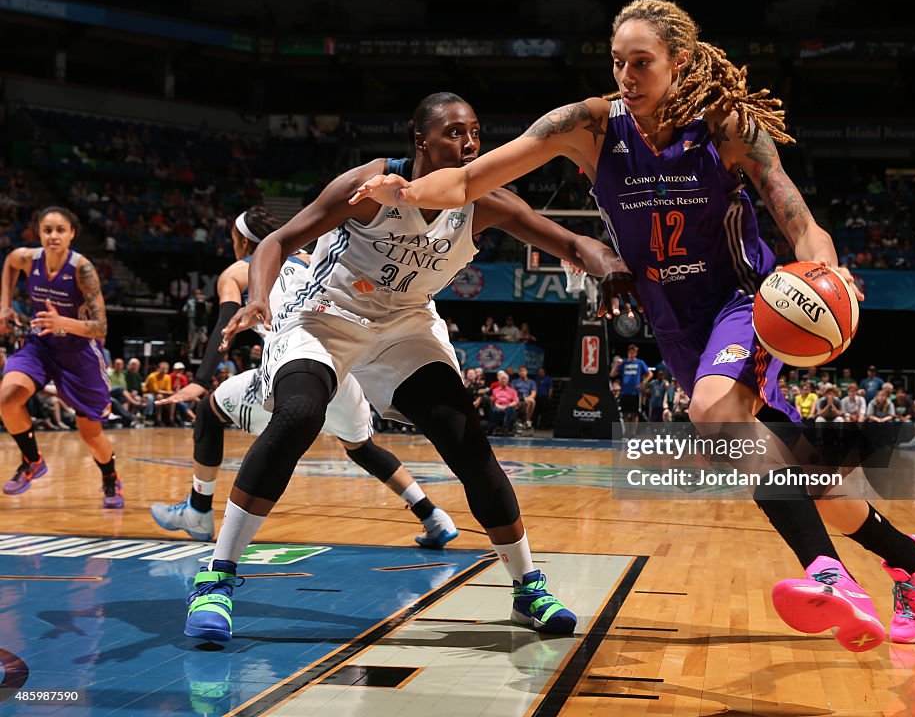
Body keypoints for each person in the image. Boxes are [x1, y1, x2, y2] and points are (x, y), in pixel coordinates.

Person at [352, 0, 915, 652]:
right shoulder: (588, 125)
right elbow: (466, 179)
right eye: (618, 63)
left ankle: (831, 578)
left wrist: (826, 273)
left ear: (679, 63)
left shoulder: (725, 124)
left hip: (743, 303)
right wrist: (406, 193)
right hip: (675, 326)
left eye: (642, 63)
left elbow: (797, 217)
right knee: (795, 473)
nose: (627, 76)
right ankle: (911, 560)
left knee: (717, 418)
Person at [183, 93, 637, 643]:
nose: (468, 144)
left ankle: (526, 587)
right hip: (324, 314)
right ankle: (217, 576)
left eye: (474, 133)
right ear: (420, 140)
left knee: (467, 442)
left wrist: (606, 261)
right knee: (299, 414)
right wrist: (257, 299)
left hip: (404, 326)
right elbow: (277, 241)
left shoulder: (484, 200)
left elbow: (569, 240)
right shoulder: (370, 187)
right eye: (453, 133)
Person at [151, 207, 458, 549]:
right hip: (343, 366)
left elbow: (226, 323)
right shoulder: (314, 258)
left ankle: (199, 510)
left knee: (210, 411)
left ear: (242, 241)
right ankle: (433, 515)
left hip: (295, 365)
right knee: (360, 446)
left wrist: (201, 378)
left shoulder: (239, 271)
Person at [0, 206, 123, 506]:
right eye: (47, 230)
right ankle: (33, 461)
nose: (53, 235)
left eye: (60, 230)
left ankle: (110, 477)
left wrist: (63, 323)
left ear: (72, 234)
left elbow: (101, 327)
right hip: (40, 345)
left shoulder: (82, 269)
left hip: (79, 355)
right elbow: (9, 264)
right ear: (38, 233)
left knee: (90, 434)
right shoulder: (28, 258)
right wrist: (4, 305)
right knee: (7, 399)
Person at [611, 344, 651, 426]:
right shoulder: (624, 362)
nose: (632, 354)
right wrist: (616, 364)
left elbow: (650, 374)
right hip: (624, 391)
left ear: (636, 353)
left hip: (635, 392)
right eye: (631, 352)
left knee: (635, 413)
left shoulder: (640, 362)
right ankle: (626, 432)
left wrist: (643, 383)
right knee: (625, 413)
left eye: (634, 352)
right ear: (628, 352)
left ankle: (633, 434)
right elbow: (612, 374)